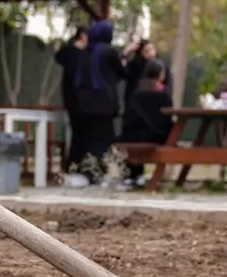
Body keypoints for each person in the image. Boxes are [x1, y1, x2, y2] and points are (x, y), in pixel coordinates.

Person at [71, 19, 127, 185]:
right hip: (103, 104)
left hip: (83, 103)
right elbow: (122, 72)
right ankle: (98, 174)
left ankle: (88, 173)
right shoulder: (108, 51)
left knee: (89, 139)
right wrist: (126, 53)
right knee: (103, 139)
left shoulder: (86, 51)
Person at [119, 59, 175, 188]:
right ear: (160, 74)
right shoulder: (163, 96)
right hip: (156, 136)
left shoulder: (136, 93)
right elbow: (167, 118)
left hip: (133, 136)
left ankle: (133, 176)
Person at [54, 26, 89, 173]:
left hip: (75, 99)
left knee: (79, 133)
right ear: (82, 36)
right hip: (76, 99)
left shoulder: (72, 53)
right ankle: (73, 166)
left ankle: (74, 165)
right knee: (79, 133)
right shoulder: (73, 54)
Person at [122, 37, 158, 108]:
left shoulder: (160, 66)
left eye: (152, 49)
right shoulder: (135, 67)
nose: (151, 54)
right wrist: (126, 53)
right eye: (146, 51)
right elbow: (122, 71)